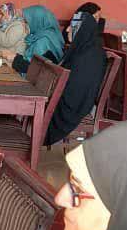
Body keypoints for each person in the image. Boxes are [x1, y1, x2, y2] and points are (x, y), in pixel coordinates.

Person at [44, 10, 106, 145]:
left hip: (70, 111)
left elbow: (74, 92)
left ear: (82, 29)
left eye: (72, 26)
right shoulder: (85, 47)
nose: (67, 30)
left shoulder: (87, 58)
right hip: (71, 101)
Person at [0, 5, 64, 74]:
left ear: (36, 21)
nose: (24, 24)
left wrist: (14, 57)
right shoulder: (49, 35)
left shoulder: (43, 41)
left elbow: (33, 69)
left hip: (35, 78)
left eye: (27, 21)